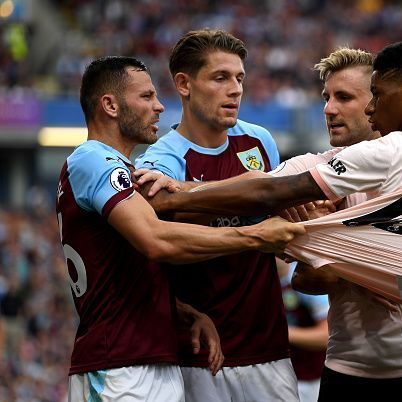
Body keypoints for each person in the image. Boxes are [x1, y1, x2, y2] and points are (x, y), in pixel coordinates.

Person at [137, 41, 402, 401]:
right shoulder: (317, 170)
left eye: (346, 97)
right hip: (347, 367)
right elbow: (279, 225)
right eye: (326, 97)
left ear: (380, 100)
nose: (328, 108)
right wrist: (324, 251)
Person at [56, 56, 304, 401]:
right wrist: (253, 236)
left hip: (153, 360)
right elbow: (156, 241)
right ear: (110, 105)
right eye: (146, 97)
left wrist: (185, 312)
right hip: (117, 367)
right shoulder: (92, 158)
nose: (159, 107)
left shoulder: (122, 169)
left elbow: (125, 271)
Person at [134, 29, 300, 402]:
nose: (236, 89)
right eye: (221, 77)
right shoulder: (162, 161)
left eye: (240, 78)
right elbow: (148, 253)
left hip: (269, 348)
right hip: (199, 356)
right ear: (184, 84)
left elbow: (275, 224)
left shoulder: (259, 142)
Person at [277, 259, 329, 402]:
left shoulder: (305, 276)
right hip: (275, 376)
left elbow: (326, 336)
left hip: (309, 379)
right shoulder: (257, 283)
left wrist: (277, 332)